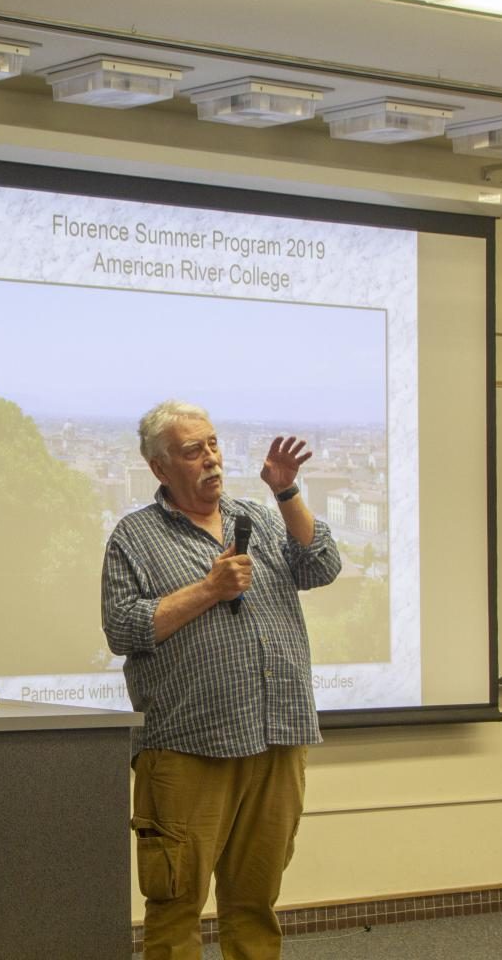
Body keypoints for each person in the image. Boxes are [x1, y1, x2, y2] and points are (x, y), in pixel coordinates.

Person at [101, 400, 341, 960]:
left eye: (212, 445)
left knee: (255, 902)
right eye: (193, 451)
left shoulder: (254, 516)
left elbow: (321, 564)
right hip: (188, 746)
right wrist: (209, 590)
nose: (210, 459)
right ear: (161, 468)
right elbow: (123, 627)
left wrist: (286, 492)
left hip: (276, 735)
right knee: (176, 902)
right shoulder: (134, 537)